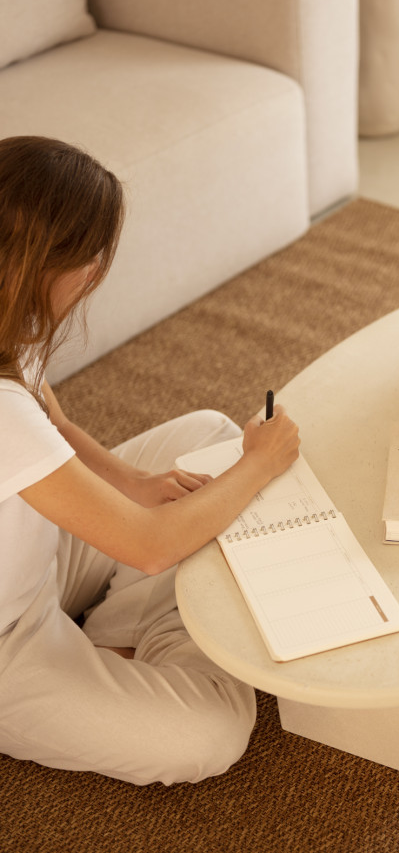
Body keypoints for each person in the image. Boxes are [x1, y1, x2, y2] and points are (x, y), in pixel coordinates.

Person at [0, 136, 300, 785]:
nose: (95, 273)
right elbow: (150, 547)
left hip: (30, 555)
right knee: (210, 732)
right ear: (51, 264)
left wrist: (135, 482)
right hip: (6, 647)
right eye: (91, 257)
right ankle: (142, 642)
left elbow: (47, 415)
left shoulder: (8, 322)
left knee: (205, 439)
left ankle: (113, 638)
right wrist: (261, 464)